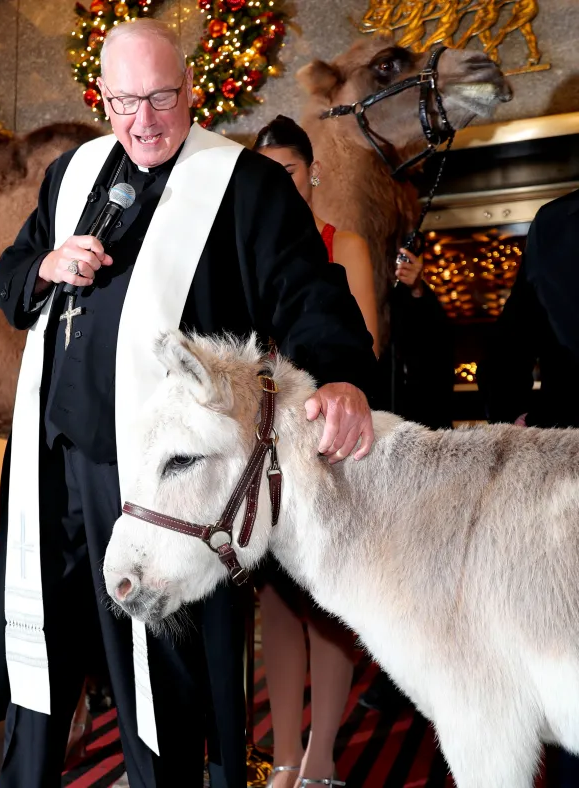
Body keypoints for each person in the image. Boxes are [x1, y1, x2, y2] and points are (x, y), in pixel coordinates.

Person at [0, 19, 377, 788]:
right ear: (103, 98)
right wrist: (47, 266)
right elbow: (11, 278)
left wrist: (338, 374)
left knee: (162, 678)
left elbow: (308, 292)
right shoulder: (71, 175)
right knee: (45, 659)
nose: (144, 120)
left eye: (162, 97)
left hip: (161, 483)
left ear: (193, 91)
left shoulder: (244, 184)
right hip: (51, 466)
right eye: (125, 101)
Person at [252, 116, 378, 788]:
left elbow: (366, 349)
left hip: (329, 443)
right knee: (275, 602)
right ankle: (282, 757)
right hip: (267, 452)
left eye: (289, 173)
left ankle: (322, 754)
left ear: (314, 174)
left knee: (328, 603)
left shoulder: (343, 243)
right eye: (264, 175)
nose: (277, 186)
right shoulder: (247, 252)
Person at [480, 188, 579, 788]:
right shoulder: (556, 223)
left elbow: (509, 343)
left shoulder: (555, 223)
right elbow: (512, 341)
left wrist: (509, 413)